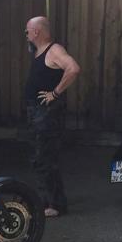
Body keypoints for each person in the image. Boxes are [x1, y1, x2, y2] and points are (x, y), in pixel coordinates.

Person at [24, 16, 80, 217]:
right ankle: (48, 200)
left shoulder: (54, 50)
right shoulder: (39, 51)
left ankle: (55, 205)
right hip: (37, 113)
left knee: (45, 159)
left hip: (46, 115)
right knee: (40, 158)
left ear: (36, 32)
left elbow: (73, 69)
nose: (26, 34)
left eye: (27, 31)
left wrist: (55, 93)